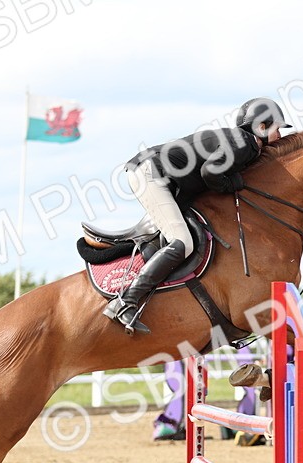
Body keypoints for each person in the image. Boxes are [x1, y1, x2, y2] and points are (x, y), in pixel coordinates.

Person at [103, 97, 293, 334]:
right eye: (277, 129)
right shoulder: (246, 144)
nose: (280, 136)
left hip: (164, 176)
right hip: (151, 173)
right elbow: (210, 172)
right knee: (182, 242)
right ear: (261, 127)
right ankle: (124, 302)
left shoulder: (243, 142)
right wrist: (233, 183)